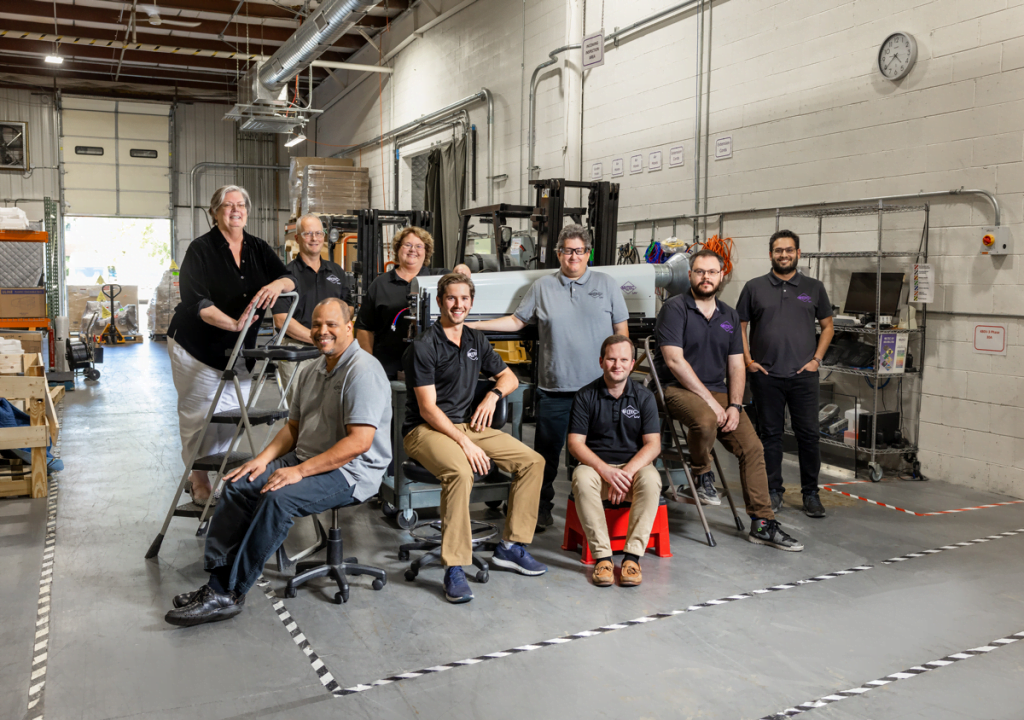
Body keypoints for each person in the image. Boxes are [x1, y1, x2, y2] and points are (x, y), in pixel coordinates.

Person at [165, 298, 392, 627]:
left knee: (277, 498)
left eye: (331, 324)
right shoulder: (312, 369)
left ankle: (231, 592)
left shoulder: (363, 371)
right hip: (306, 457)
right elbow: (293, 428)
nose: (322, 331)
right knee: (239, 484)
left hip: (350, 471)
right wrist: (261, 461)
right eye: (316, 325)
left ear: (348, 326)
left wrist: (297, 471)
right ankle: (216, 584)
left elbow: (359, 443)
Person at [468, 224, 629, 529]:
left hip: (599, 391)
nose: (573, 256)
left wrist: (621, 376)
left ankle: (599, 508)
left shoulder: (607, 285)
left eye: (579, 251)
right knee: (546, 456)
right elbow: (517, 322)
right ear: (558, 253)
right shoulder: (542, 287)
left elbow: (622, 334)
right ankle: (540, 508)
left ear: (588, 254)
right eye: (567, 250)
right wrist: (473, 326)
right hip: (555, 389)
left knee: (599, 453)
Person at [402, 273, 546, 604]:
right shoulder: (424, 346)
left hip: (467, 426)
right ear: (439, 301)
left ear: (471, 302)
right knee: (460, 471)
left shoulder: (474, 340)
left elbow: (508, 377)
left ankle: (511, 547)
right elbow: (427, 409)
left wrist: (493, 395)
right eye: (451, 298)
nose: (458, 304)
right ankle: (454, 565)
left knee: (532, 461)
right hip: (425, 430)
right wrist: (464, 443)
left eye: (464, 299)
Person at [653, 249, 803, 552]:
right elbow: (675, 362)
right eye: (699, 271)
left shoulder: (729, 316)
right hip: (676, 389)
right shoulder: (675, 309)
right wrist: (711, 402)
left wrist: (735, 405)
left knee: (753, 447)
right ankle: (700, 474)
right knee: (706, 419)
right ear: (689, 276)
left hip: (718, 392)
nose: (705, 277)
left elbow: (736, 365)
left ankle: (762, 524)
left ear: (721, 276)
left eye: (711, 272)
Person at [167, 185, 295, 504]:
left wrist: (278, 283)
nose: (235, 210)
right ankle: (198, 479)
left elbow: (290, 278)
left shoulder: (257, 247)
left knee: (233, 414)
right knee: (199, 415)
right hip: (197, 346)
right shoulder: (201, 249)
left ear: (247, 211)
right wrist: (233, 323)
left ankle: (220, 467)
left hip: (241, 349)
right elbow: (196, 301)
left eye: (241, 205)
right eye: (227, 205)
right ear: (215, 212)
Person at [737, 230, 835, 518]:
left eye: (789, 250)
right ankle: (774, 491)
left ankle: (811, 494)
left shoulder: (814, 287)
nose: (783, 255)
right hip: (766, 375)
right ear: (770, 254)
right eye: (778, 250)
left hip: (803, 375)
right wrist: (748, 361)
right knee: (770, 435)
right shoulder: (754, 287)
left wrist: (817, 359)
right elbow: (738, 326)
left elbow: (828, 326)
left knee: (808, 435)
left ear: (798, 253)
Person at [567, 335, 662, 588]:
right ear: (601, 362)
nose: (617, 364)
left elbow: (654, 444)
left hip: (634, 470)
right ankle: (603, 559)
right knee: (581, 477)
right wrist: (606, 471)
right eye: (611, 359)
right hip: (598, 469)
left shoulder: (644, 397)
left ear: (632, 364)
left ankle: (632, 559)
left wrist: (627, 474)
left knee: (652, 479)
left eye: (623, 359)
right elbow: (575, 443)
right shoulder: (585, 396)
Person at [355, 226, 470, 380]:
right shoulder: (380, 284)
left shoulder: (440, 278)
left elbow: (461, 283)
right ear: (398, 249)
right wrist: (369, 364)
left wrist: (463, 269)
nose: (412, 250)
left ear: (426, 251)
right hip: (388, 369)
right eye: (407, 245)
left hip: (435, 368)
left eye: (418, 246)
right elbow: (364, 327)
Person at [272, 214, 353, 400]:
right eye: (308, 233)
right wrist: (318, 338)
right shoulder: (285, 275)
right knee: (300, 413)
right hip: (297, 351)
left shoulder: (336, 271)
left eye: (318, 233)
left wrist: (334, 335)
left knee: (334, 407)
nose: (314, 238)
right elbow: (281, 319)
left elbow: (348, 307)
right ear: (297, 238)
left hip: (333, 350)